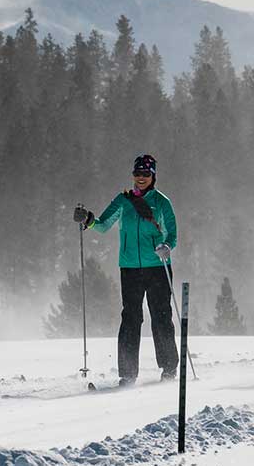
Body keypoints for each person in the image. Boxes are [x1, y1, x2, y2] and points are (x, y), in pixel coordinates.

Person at [74, 154, 179, 387]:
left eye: (145, 174)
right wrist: (87, 219)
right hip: (130, 268)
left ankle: (169, 369)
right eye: (137, 173)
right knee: (130, 318)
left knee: (161, 317)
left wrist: (166, 246)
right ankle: (128, 374)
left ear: (153, 176)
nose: (141, 178)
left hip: (157, 267)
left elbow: (172, 233)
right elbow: (102, 225)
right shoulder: (123, 201)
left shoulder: (162, 202)